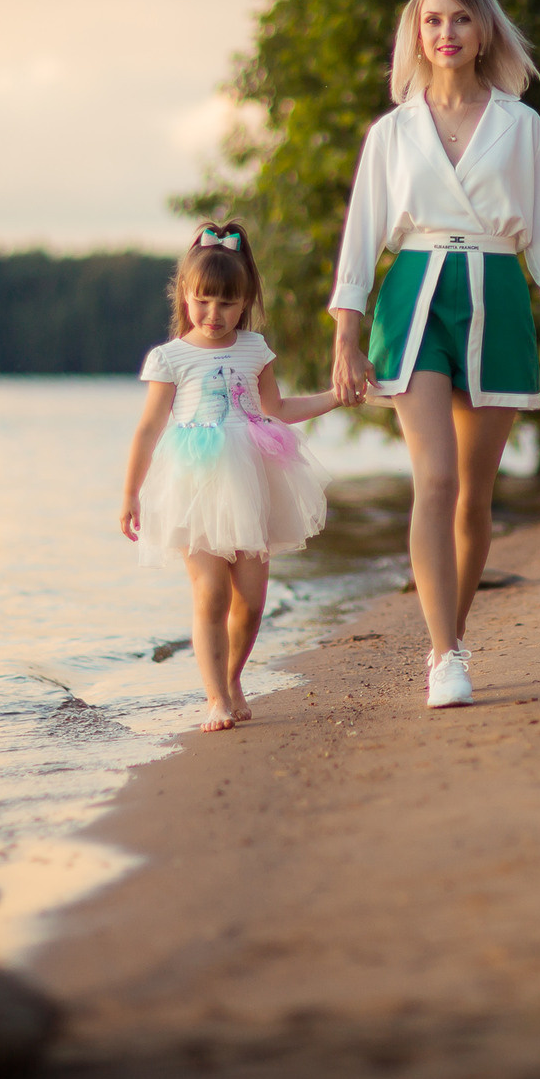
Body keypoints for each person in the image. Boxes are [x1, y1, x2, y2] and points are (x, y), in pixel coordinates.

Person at [329, 0, 540, 709]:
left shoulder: (521, 125)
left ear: (484, 33)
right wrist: (345, 336)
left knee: (474, 500)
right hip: (414, 294)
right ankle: (444, 655)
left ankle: (454, 630)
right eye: (432, 21)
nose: (446, 33)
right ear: (416, 35)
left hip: (497, 292)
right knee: (435, 482)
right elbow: (361, 236)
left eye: (460, 20)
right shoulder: (391, 132)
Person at [121, 222, 337, 732]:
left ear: (245, 303)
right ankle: (216, 697)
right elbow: (149, 428)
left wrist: (333, 396)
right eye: (203, 301)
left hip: (253, 474)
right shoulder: (171, 357)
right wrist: (131, 493)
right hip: (194, 483)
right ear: (185, 298)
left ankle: (234, 676)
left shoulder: (254, 350)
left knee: (254, 600)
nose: (213, 314)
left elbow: (277, 409)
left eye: (226, 303)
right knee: (211, 593)